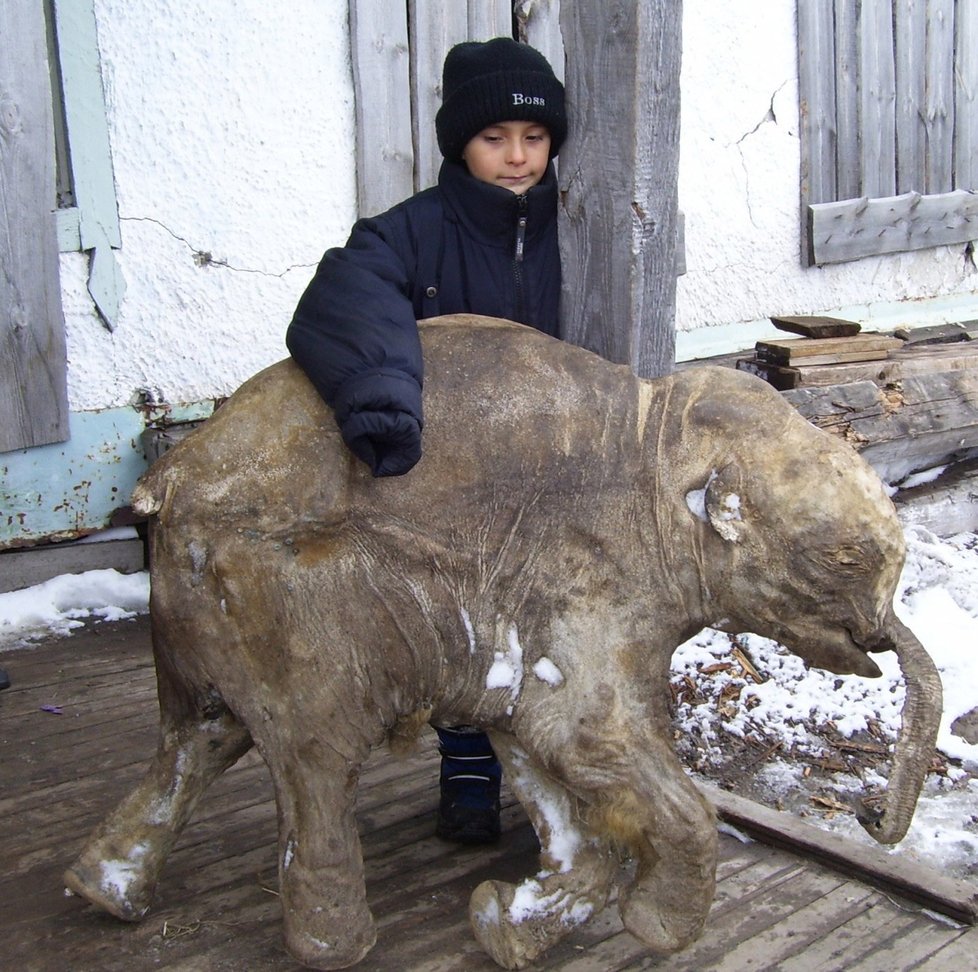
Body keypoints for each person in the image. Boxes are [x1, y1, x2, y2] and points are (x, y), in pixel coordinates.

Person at [286, 37, 566, 844]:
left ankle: (561, 771)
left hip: (560, 470)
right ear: (459, 143)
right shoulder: (411, 232)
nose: (517, 157)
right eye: (494, 138)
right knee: (466, 626)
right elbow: (346, 295)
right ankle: (470, 768)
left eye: (535, 138)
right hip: (454, 475)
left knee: (553, 627)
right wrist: (381, 398)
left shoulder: (586, 225)